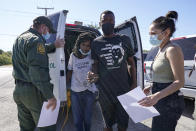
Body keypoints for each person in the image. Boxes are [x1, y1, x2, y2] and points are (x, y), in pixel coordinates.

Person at [12, 16, 65, 131]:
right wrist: (50, 97)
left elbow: (35, 51)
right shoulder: (37, 41)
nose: (48, 34)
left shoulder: (20, 38)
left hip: (19, 90)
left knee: (26, 127)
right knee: (47, 127)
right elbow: (38, 73)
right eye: (49, 31)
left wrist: (53, 45)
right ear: (43, 27)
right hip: (33, 92)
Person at [87, 10, 136, 131]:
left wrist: (134, 83)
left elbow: (131, 63)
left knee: (122, 124)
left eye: (111, 20)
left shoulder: (124, 39)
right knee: (107, 125)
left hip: (124, 90)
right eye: (104, 20)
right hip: (105, 92)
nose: (108, 23)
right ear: (100, 23)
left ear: (114, 22)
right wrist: (93, 74)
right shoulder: (95, 43)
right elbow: (95, 64)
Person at [138, 11, 185, 131]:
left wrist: (156, 96)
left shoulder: (172, 49)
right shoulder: (160, 49)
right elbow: (163, 74)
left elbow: (179, 81)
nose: (151, 37)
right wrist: (152, 86)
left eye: (153, 33)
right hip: (160, 100)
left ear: (166, 32)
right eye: (149, 34)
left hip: (169, 103)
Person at [66, 32, 98, 131]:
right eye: (83, 44)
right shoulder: (73, 56)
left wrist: (93, 76)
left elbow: (95, 72)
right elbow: (70, 71)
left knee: (87, 120)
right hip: (75, 92)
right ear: (79, 44)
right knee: (77, 121)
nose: (85, 48)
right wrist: (64, 87)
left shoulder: (92, 55)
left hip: (89, 92)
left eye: (88, 46)